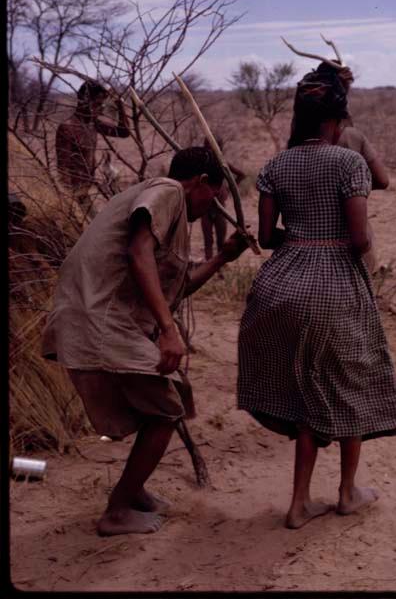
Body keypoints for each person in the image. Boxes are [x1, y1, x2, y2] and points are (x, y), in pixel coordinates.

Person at [237, 68, 396, 530]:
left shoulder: (275, 166)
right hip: (333, 284)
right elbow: (358, 239)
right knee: (350, 382)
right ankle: (347, 492)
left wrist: (303, 237)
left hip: (280, 285)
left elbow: (267, 238)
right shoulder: (348, 163)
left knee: (302, 392)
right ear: (336, 120)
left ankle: (298, 503)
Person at [41, 146, 248, 536]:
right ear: (201, 182)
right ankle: (117, 510)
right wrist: (168, 331)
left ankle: (132, 493)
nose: (214, 205)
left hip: (102, 319)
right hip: (99, 317)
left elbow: (177, 286)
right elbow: (139, 254)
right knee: (166, 408)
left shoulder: (169, 212)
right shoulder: (168, 191)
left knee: (165, 401)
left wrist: (222, 257)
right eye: (215, 195)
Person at [289, 62, 389, 274]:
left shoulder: (291, 149)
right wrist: (352, 189)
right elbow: (382, 180)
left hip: (302, 254)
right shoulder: (352, 138)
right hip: (350, 251)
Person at [56, 81, 130, 218]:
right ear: (84, 102)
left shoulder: (93, 123)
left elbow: (124, 132)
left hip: (86, 190)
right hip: (76, 194)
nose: (101, 109)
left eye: (102, 104)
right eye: (97, 104)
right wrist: (68, 202)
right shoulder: (67, 128)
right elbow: (63, 168)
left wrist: (120, 106)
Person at [200, 137, 246, 260]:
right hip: (205, 208)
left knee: (221, 241)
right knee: (208, 241)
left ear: (218, 147)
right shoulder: (202, 163)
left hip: (220, 208)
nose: (209, 149)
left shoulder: (223, 162)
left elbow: (241, 174)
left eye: (212, 147)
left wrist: (230, 189)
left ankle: (219, 267)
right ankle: (208, 265)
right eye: (207, 146)